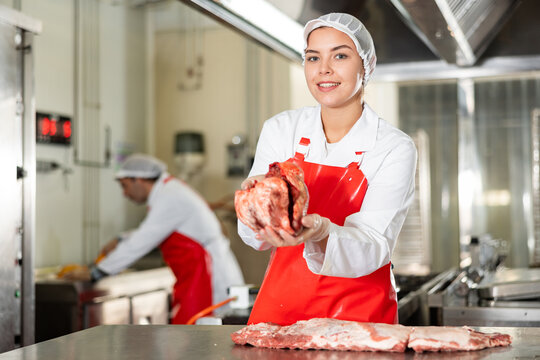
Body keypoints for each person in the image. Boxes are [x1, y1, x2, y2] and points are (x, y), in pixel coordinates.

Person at [237, 13, 417, 326]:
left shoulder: (393, 147)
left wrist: (322, 233)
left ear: (366, 65)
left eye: (341, 55)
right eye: (312, 57)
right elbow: (255, 237)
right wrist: (253, 204)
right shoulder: (282, 130)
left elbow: (375, 245)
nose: (324, 69)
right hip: (281, 314)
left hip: (360, 321)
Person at [67, 153, 244, 324]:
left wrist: (98, 272)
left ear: (139, 179)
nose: (125, 193)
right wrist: (120, 239)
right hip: (197, 276)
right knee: (193, 337)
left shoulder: (169, 196)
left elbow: (142, 240)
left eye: (125, 185)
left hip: (208, 277)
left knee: (198, 339)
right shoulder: (168, 190)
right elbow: (154, 229)